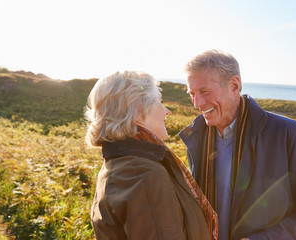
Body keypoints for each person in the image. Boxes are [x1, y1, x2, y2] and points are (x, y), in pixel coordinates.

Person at [179, 50, 296, 240]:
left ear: (234, 85)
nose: (197, 103)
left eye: (204, 92)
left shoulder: (289, 133)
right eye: (192, 94)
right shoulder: (196, 136)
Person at [84, 70, 218, 240]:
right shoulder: (142, 174)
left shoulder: (125, 163)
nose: (166, 111)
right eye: (159, 103)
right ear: (139, 109)